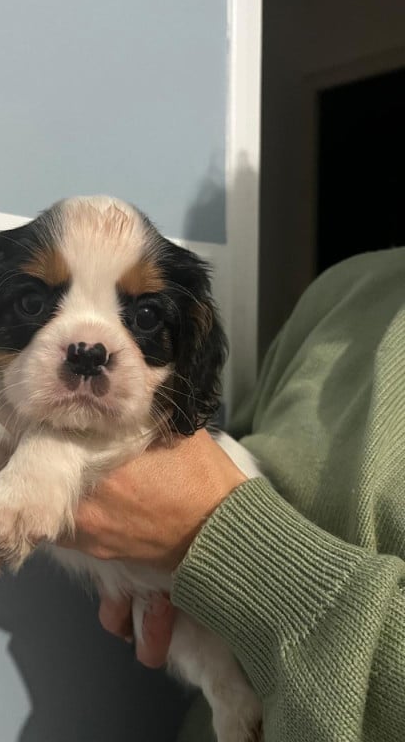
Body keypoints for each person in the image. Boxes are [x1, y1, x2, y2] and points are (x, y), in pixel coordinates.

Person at [61, 247, 405, 742]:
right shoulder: (345, 286)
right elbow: (233, 453)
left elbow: (216, 510)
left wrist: (221, 543)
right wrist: (149, 562)